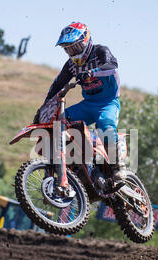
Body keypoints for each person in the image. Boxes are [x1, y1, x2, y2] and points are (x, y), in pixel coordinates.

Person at [34, 22, 126, 183]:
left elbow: (112, 66)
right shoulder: (70, 65)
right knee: (59, 120)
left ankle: (118, 167)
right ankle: (76, 160)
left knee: (105, 124)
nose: (72, 52)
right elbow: (56, 85)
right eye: (68, 49)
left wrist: (91, 71)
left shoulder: (100, 51)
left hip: (107, 103)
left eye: (75, 47)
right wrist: (43, 109)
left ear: (86, 41)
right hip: (88, 104)